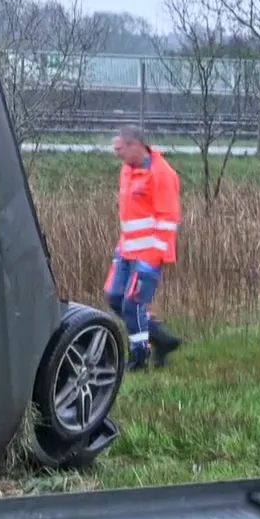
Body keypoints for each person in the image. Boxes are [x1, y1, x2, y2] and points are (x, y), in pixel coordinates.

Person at [106, 124, 184, 370]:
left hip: (149, 254)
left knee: (133, 304)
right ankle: (162, 338)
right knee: (115, 297)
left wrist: (154, 257)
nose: (116, 154)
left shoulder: (161, 174)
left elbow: (168, 219)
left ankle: (139, 357)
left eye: (120, 149)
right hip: (126, 250)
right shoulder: (127, 170)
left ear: (135, 146)